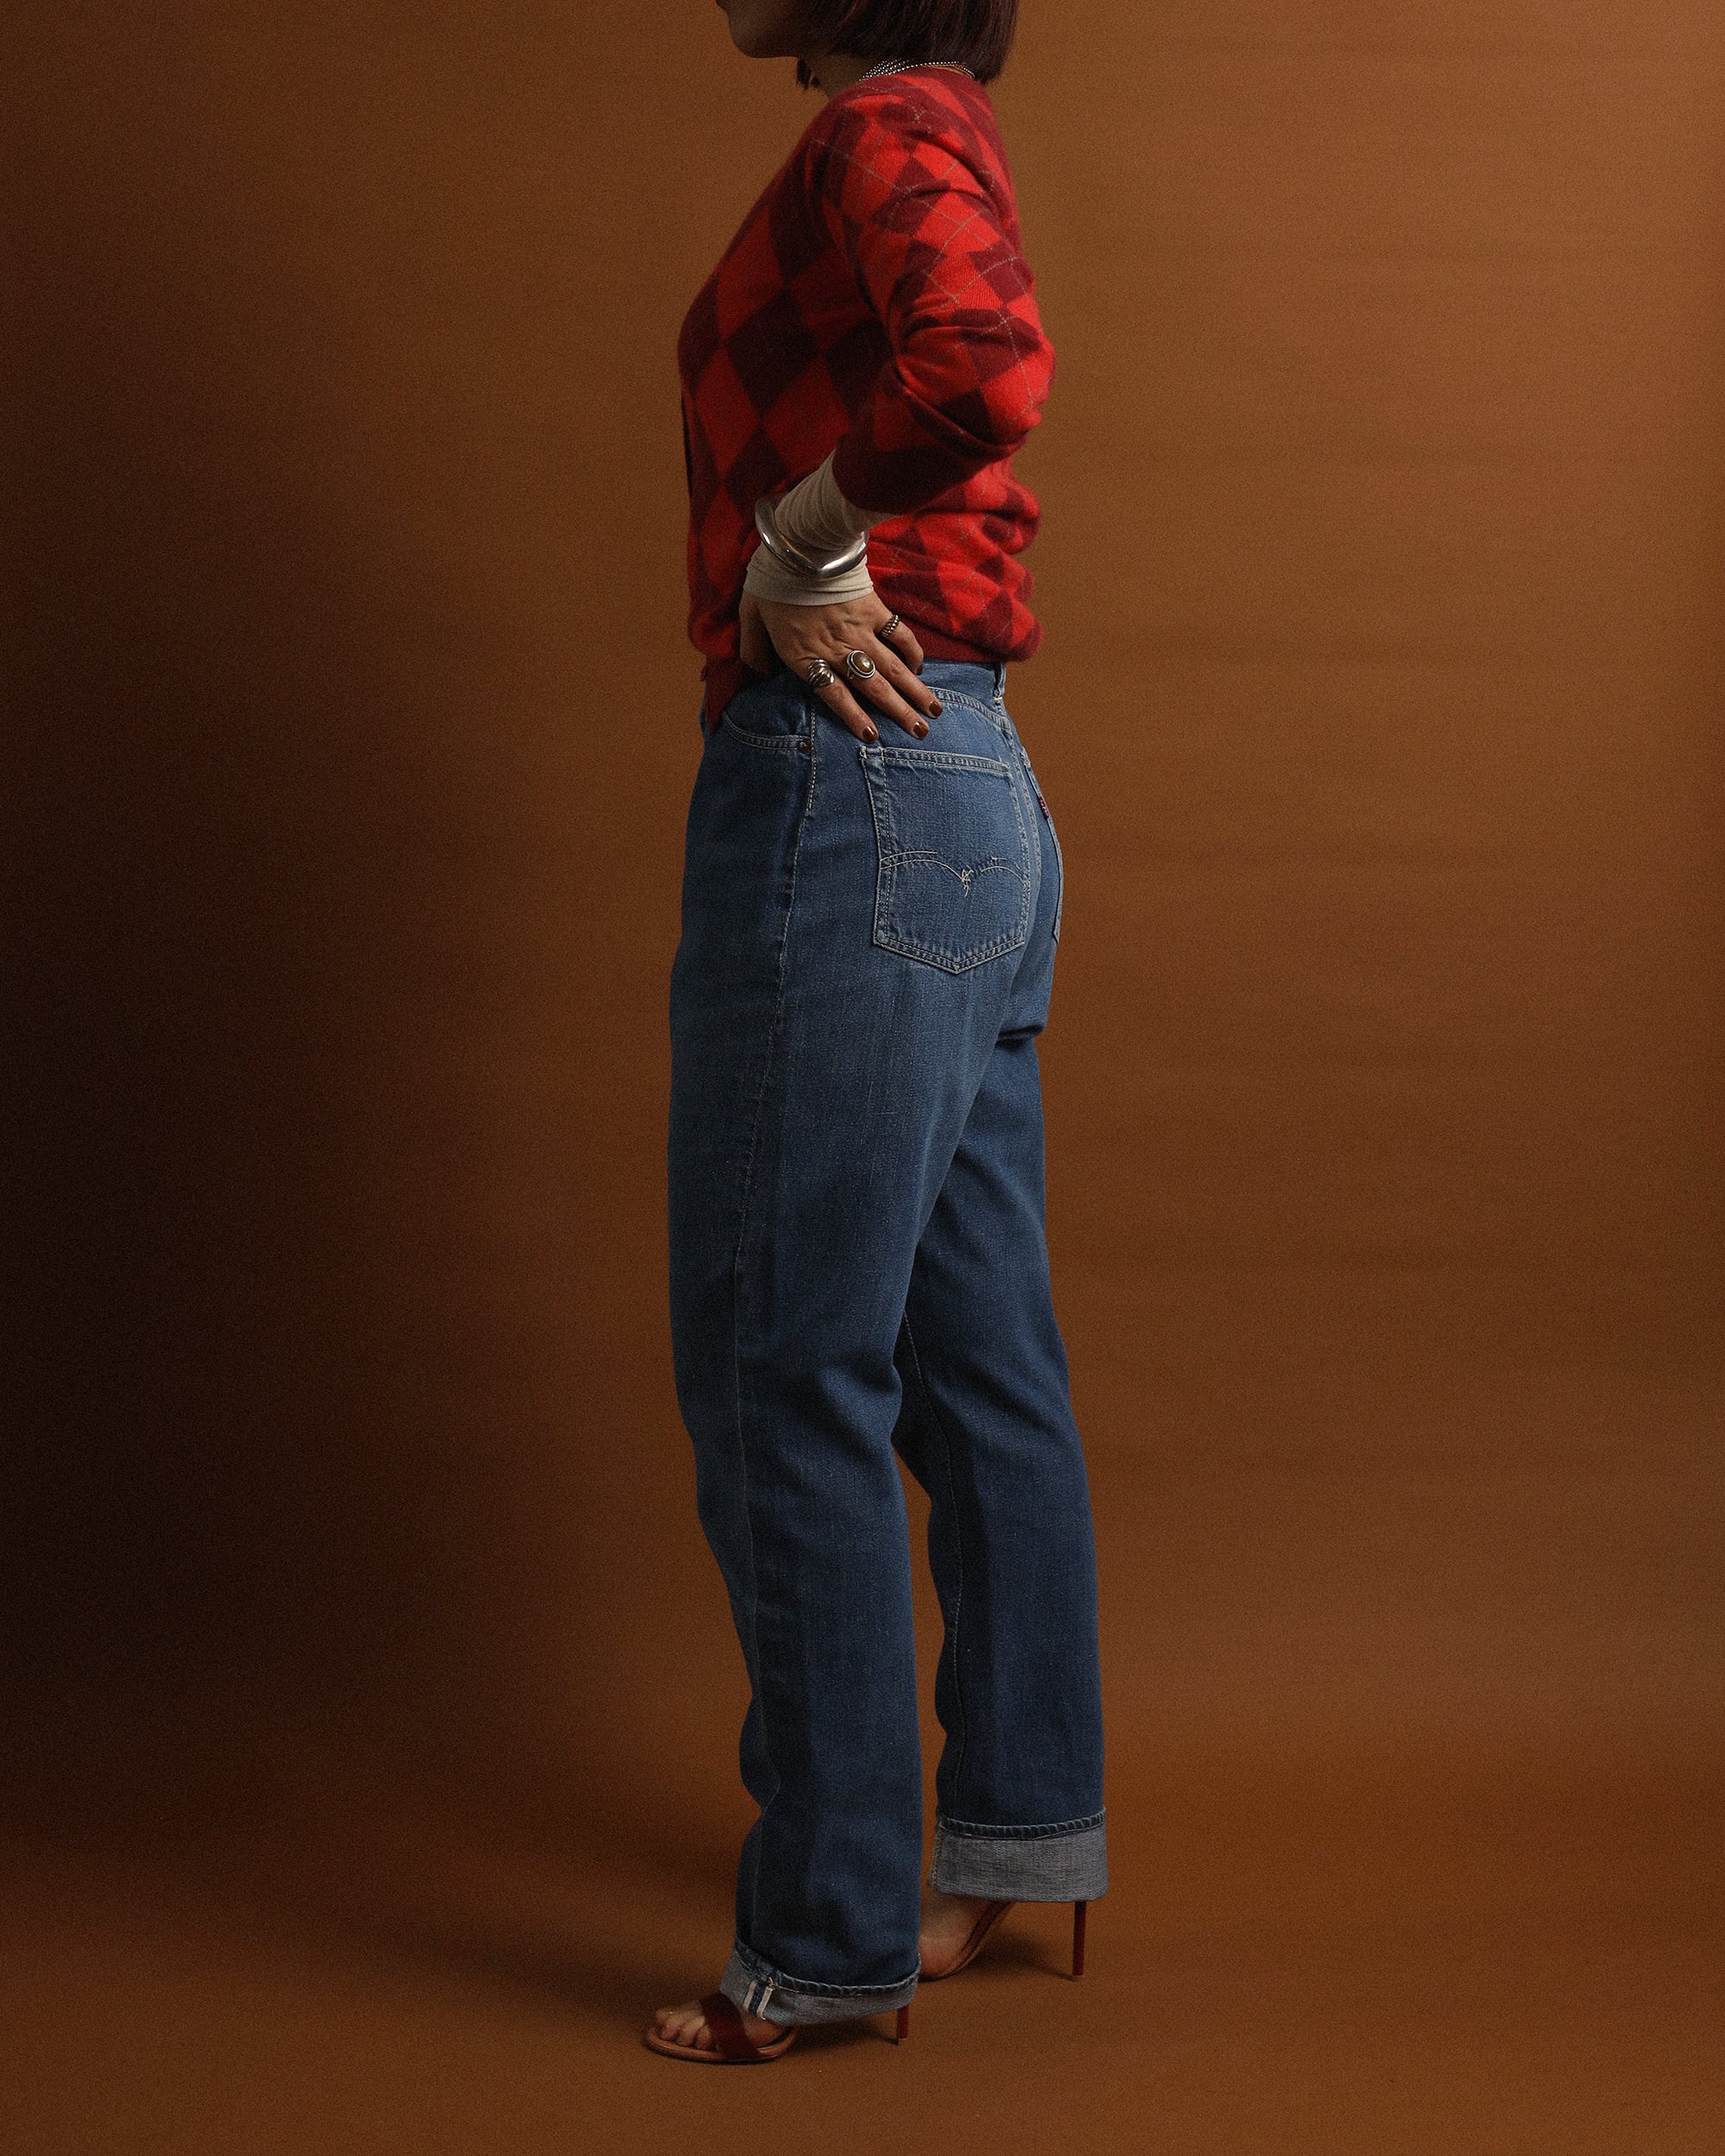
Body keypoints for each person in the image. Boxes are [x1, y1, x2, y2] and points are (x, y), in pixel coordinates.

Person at [647, 0, 1107, 2064]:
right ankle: (1019, 1838)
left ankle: (826, 1937)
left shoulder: (886, 122)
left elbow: (980, 365)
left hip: (848, 782)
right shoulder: (915, 124)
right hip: (968, 779)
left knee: (784, 1359)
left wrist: (799, 533)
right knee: (972, 1355)